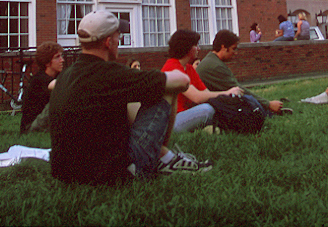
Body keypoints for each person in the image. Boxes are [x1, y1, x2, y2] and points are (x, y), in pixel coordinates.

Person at [49, 11, 210, 185]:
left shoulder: (66, 76)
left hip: (65, 174)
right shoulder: (112, 74)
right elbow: (182, 80)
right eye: (119, 38)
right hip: (112, 175)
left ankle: (163, 157)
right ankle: (165, 159)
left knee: (131, 97)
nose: (120, 42)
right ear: (109, 42)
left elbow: (52, 85)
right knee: (166, 88)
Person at [161, 29, 243, 133]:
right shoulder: (172, 67)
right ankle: (209, 128)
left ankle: (209, 128)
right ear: (186, 47)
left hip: (187, 115)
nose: (198, 49)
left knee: (214, 106)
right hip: (171, 121)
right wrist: (227, 92)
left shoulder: (189, 69)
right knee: (206, 110)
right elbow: (197, 97)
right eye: (196, 46)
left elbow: (206, 93)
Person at [196, 29, 292, 117]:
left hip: (207, 104)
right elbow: (239, 91)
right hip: (206, 108)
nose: (236, 52)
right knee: (245, 102)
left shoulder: (211, 61)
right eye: (234, 48)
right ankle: (267, 113)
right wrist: (268, 104)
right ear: (223, 47)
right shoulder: (215, 66)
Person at [20, 41, 64, 134]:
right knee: (59, 98)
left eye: (61, 56)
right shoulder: (39, 79)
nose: (62, 60)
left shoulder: (57, 76)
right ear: (47, 62)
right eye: (57, 57)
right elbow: (62, 85)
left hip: (46, 123)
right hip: (31, 128)